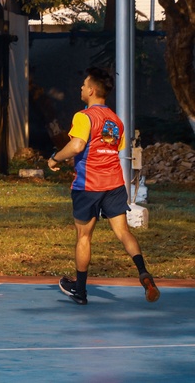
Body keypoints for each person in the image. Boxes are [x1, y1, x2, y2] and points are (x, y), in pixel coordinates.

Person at [47, 67, 160, 305]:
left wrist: (55, 157)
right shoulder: (116, 121)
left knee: (84, 237)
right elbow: (115, 149)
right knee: (123, 232)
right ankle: (143, 272)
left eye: (83, 84)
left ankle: (80, 290)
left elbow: (77, 146)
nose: (80, 88)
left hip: (89, 185)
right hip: (114, 184)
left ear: (91, 90)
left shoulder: (83, 116)